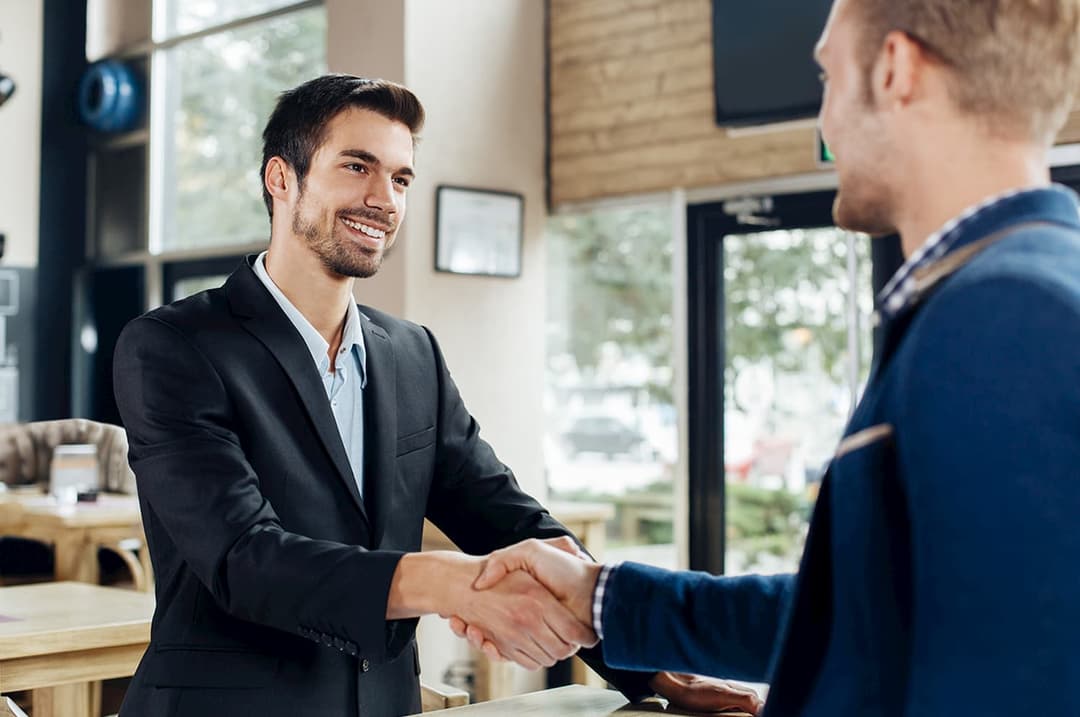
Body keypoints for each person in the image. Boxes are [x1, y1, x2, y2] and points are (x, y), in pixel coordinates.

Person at [461, 0, 1080, 714]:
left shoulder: (1006, 314)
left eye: (826, 77)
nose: (823, 129)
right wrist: (602, 595)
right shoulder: (1007, 290)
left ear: (895, 69)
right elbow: (861, 616)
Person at [112, 75, 761, 717]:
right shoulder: (173, 347)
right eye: (358, 166)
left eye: (400, 178)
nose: (383, 200)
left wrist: (653, 669)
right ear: (281, 179)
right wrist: (453, 583)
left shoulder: (411, 354)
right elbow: (243, 559)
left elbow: (505, 516)